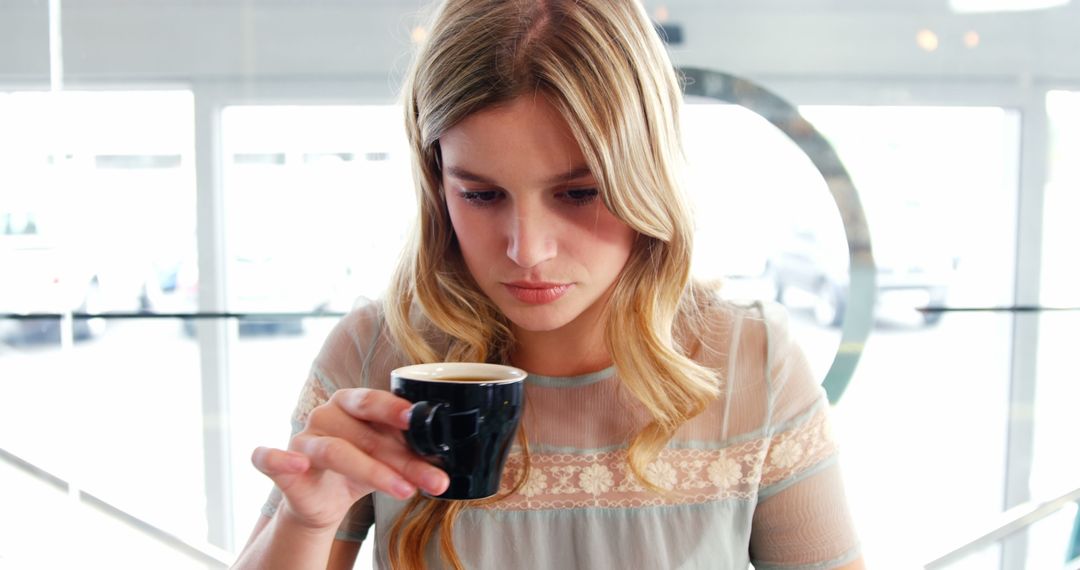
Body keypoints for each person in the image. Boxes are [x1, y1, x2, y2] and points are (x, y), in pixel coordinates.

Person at [233, 0, 864, 568]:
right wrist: (305, 522)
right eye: (480, 194)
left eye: (579, 193)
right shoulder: (376, 353)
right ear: (436, 185)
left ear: (647, 177)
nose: (526, 250)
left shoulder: (752, 360)